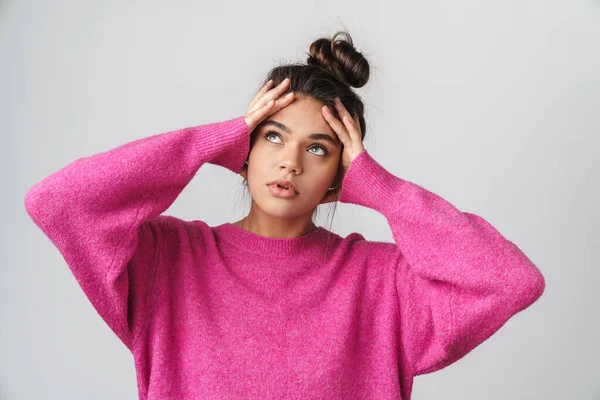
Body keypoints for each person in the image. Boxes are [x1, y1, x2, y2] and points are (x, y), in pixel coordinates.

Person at [24, 31, 545, 400]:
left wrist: (380, 186)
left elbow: (511, 281)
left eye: (318, 149)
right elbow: (59, 202)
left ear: (340, 176)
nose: (290, 162)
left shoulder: (382, 281)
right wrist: (212, 142)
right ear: (244, 151)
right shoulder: (168, 260)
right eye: (272, 136)